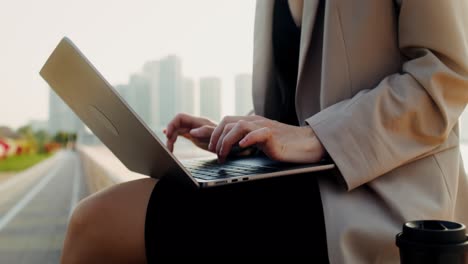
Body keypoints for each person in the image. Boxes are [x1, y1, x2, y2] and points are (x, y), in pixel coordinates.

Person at [60, 0, 468, 263]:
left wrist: (316, 137)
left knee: (95, 224)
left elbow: (448, 76)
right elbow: (294, 109)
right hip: (306, 186)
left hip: (382, 198)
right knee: (98, 222)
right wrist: (240, 134)